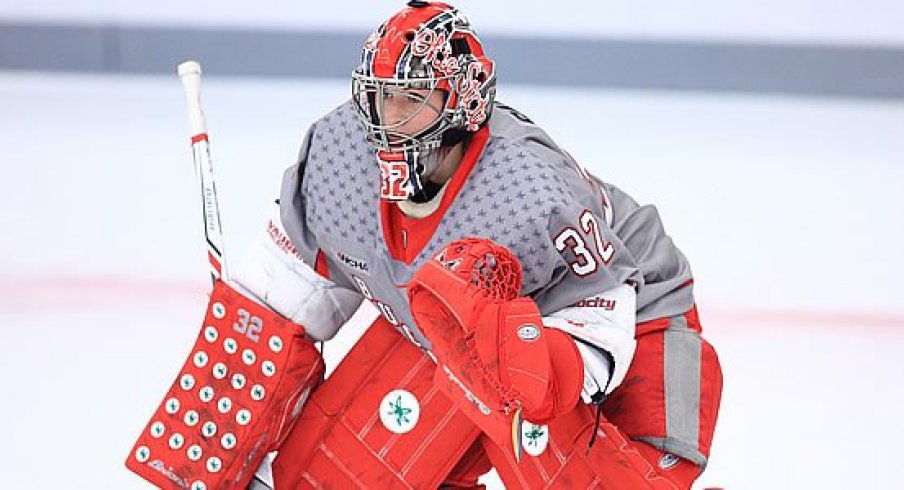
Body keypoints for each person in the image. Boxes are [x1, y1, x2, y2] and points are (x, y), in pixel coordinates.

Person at [234, 1, 723, 488]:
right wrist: (230, 429)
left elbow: (601, 308)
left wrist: (521, 364)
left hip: (636, 315)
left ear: (460, 101)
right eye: (383, 97)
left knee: (615, 476)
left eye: (412, 98)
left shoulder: (526, 188)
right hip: (454, 338)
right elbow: (278, 302)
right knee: (322, 478)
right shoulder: (340, 155)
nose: (391, 117)